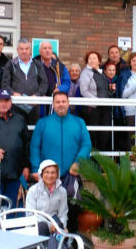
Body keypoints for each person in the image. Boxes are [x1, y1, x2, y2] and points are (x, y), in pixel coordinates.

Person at [30, 92, 91, 232]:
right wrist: (35, 168)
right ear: (53, 105)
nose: (61, 104)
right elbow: (35, 147)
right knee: (46, 213)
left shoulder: (79, 123)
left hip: (70, 175)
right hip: (48, 176)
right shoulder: (43, 123)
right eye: (58, 102)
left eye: (64, 101)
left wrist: (78, 162)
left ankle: (70, 242)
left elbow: (86, 144)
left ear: (68, 104)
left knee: (73, 210)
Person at [1, 38, 48, 125]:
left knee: (32, 132)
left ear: (30, 50)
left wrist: (37, 95)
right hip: (16, 105)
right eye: (21, 49)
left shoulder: (37, 64)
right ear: (17, 50)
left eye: (26, 49)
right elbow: (4, 84)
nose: (24, 51)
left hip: (34, 106)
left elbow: (44, 83)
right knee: (16, 130)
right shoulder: (10, 64)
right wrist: (12, 93)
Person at [26, 159, 68, 237]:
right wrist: (50, 226)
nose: (50, 176)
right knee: (42, 226)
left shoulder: (62, 192)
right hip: (37, 226)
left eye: (53, 172)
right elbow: (30, 214)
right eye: (47, 172)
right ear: (41, 174)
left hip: (55, 225)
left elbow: (63, 214)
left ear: (57, 175)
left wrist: (62, 227)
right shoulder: (33, 190)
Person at [80, 51, 110, 150]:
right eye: (89, 58)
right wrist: (97, 101)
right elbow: (84, 91)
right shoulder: (86, 73)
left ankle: (102, 161)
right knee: (93, 134)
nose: (92, 60)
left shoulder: (102, 73)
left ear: (99, 61)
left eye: (94, 58)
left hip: (104, 108)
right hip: (92, 108)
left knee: (104, 134)